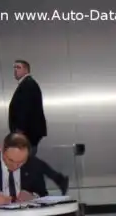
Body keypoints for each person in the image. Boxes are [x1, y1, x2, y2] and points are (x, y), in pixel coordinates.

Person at [8, 59, 69, 193]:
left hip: (27, 132)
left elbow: (26, 109)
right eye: (14, 68)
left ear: (26, 70)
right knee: (29, 162)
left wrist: (20, 131)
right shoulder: (27, 84)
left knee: (27, 161)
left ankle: (46, 186)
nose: (15, 70)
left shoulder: (28, 85)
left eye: (18, 67)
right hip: (29, 131)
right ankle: (55, 182)